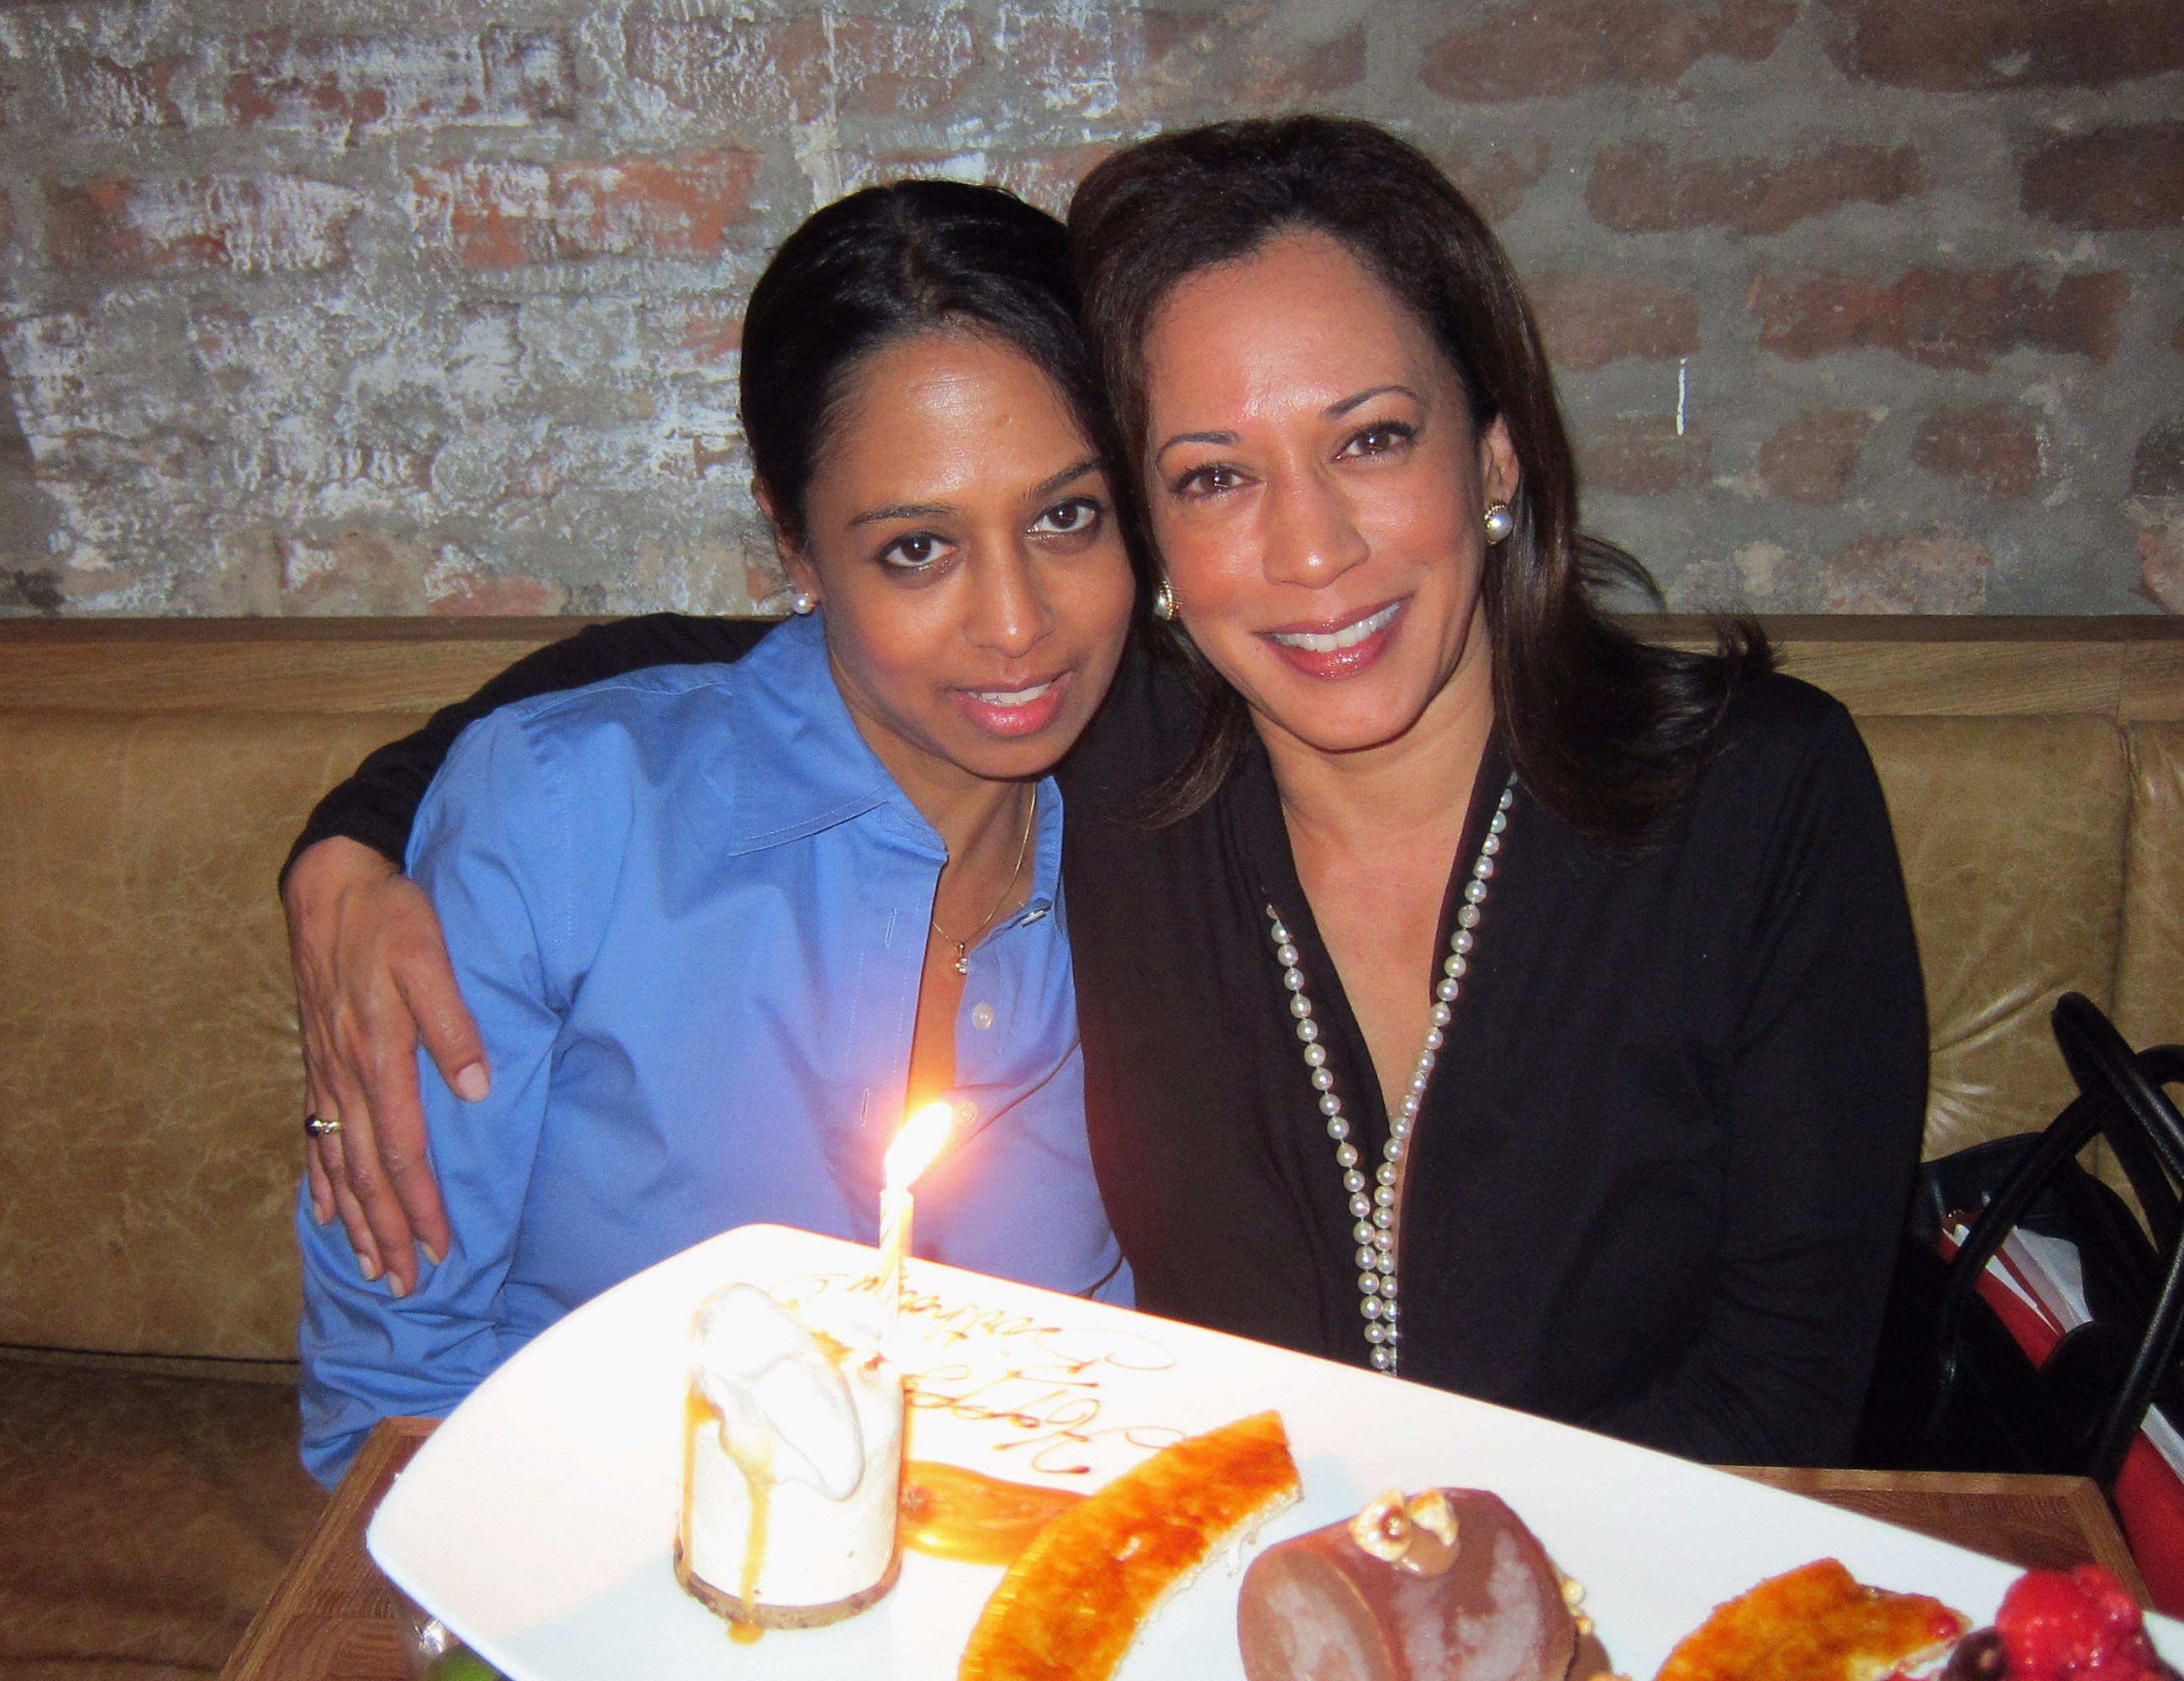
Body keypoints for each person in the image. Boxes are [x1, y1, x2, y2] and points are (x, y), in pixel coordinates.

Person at [287, 119, 1926, 1469]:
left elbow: (1783, 1412)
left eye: (1369, 439)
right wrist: (359, 833)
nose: (1307, 549)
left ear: (1494, 454)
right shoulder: (1123, 758)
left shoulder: (1740, 805)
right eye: (1214, 475)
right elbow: (710, 682)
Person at [291, 180, 1141, 1485]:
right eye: (918, 547)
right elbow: (395, 1399)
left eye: (1066, 515)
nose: (1018, 622)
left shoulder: (1189, 838)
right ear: (795, 545)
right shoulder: (571, 821)